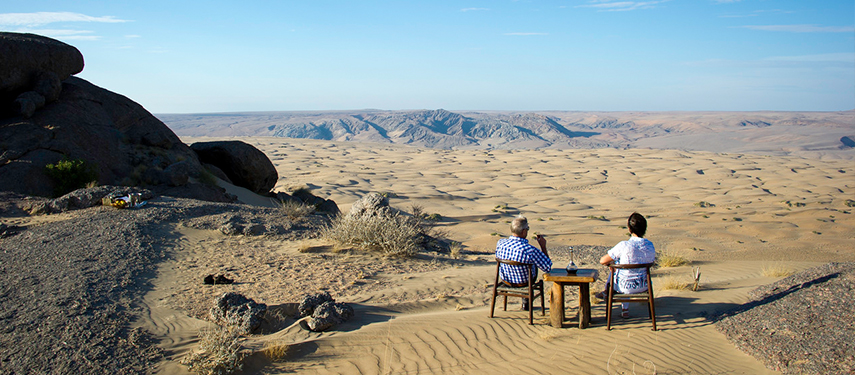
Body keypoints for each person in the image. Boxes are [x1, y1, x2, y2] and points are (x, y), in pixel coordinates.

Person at [596, 212, 656, 318]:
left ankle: (607, 293)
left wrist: (612, 264)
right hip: (644, 285)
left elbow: (602, 260)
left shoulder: (624, 245)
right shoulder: (650, 245)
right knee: (622, 267)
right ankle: (624, 309)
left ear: (629, 228)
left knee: (616, 267)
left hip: (624, 286)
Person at [495, 215, 552, 310]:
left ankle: (525, 303)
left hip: (506, 280)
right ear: (524, 231)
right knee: (531, 266)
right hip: (524, 283)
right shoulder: (530, 250)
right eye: (527, 229)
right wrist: (543, 247)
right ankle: (526, 303)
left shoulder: (500, 243)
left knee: (523, 265)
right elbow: (547, 268)